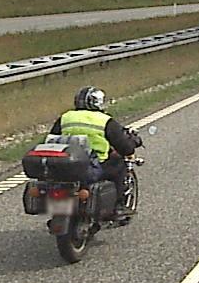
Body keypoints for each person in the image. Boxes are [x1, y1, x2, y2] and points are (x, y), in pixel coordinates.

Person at [52, 86, 140, 219]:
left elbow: (52, 139)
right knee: (120, 165)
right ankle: (119, 206)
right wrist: (132, 145)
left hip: (66, 164)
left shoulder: (65, 117)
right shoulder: (104, 120)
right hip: (95, 164)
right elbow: (125, 147)